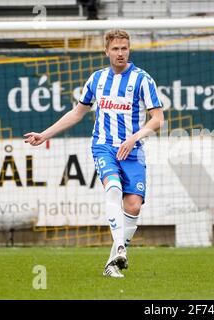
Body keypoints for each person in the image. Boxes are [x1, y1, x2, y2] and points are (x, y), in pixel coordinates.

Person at [24, 30, 164, 278]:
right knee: (113, 188)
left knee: (133, 205)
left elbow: (158, 120)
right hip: (103, 146)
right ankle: (120, 246)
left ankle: (112, 263)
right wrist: (45, 135)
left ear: (129, 50)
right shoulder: (97, 79)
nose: (120, 53)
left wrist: (134, 138)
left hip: (133, 151)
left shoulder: (143, 80)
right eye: (116, 49)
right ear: (106, 51)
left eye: (124, 48)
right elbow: (77, 113)